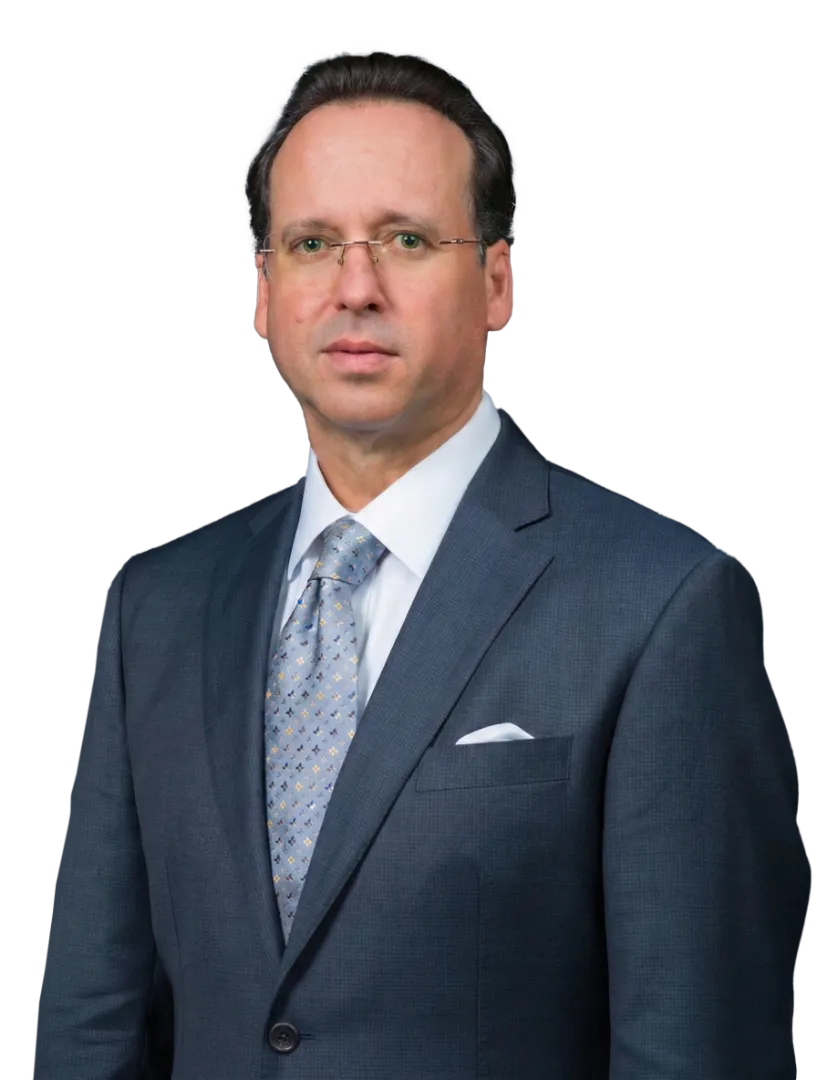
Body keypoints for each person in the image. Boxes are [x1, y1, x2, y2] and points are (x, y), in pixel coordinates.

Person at [33, 50, 810, 1079]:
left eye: (405, 239)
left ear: (496, 282)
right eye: (312, 244)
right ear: (261, 293)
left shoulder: (661, 603)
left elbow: (694, 1049)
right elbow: (91, 1023)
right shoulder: (157, 607)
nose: (355, 288)